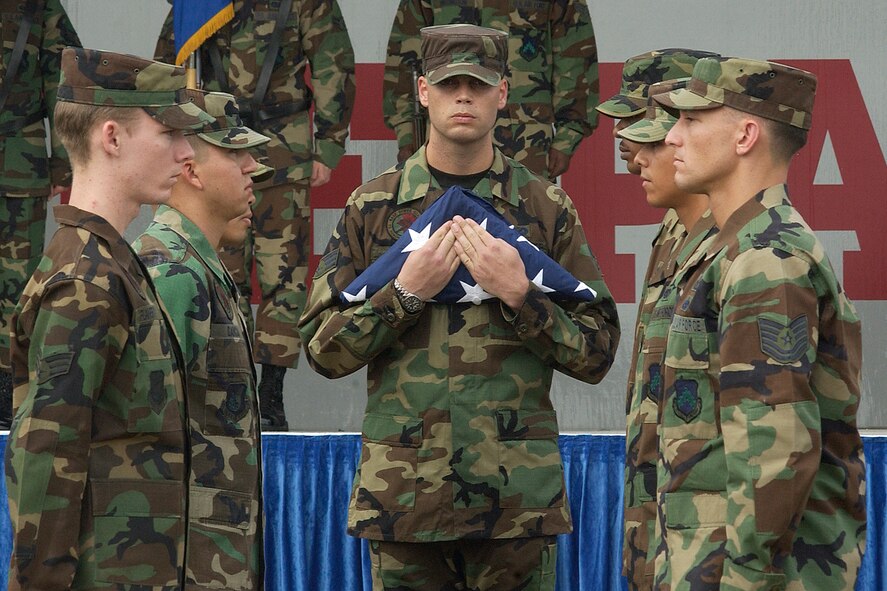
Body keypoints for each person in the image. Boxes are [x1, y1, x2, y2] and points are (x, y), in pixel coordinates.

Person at [299, 24, 620, 591]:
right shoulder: (373, 208)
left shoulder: (544, 208)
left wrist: (522, 296)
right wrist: (403, 295)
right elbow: (323, 350)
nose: (464, 97)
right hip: (405, 501)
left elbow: (597, 352)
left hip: (514, 505)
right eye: (450, 86)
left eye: (479, 84)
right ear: (423, 93)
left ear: (503, 93)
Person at [649, 57, 866, 589]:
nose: (672, 137)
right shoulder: (730, 251)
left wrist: (750, 579)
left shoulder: (765, 259)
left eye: (692, 120)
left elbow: (773, 447)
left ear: (745, 135)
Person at [4, 48, 216, 589]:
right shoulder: (86, 279)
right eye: (169, 133)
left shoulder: (114, 264)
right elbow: (47, 454)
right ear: (112, 137)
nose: (187, 151)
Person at [155, 0, 356, 430]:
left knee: (283, 275)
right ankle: (232, 383)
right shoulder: (199, 4)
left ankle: (271, 394)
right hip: (212, 151)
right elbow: (168, 68)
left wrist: (330, 143)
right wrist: (169, 143)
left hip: (282, 148)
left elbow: (332, 61)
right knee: (221, 272)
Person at [133, 91, 272, 589]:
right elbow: (143, 440)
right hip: (183, 562)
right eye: (237, 154)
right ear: (190, 169)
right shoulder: (171, 273)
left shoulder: (197, 268)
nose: (254, 168)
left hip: (210, 555)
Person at [615, 77, 717, 591]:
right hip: (661, 526)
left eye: (652, 135)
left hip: (705, 542)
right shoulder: (676, 237)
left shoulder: (747, 255)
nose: (633, 156)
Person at [383, 0, 599, 179]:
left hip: (526, 142)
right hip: (446, 142)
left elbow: (575, 58)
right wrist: (407, 133)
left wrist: (567, 137)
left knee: (525, 224)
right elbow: (405, 58)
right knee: (446, 221)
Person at [0, 0, 81, 428]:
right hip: (21, 161)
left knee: (19, 283)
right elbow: (63, 84)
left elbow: (62, 82)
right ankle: (4, 392)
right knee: (18, 282)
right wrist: (59, 164)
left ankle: (3, 393)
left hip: (21, 163)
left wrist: (60, 164)